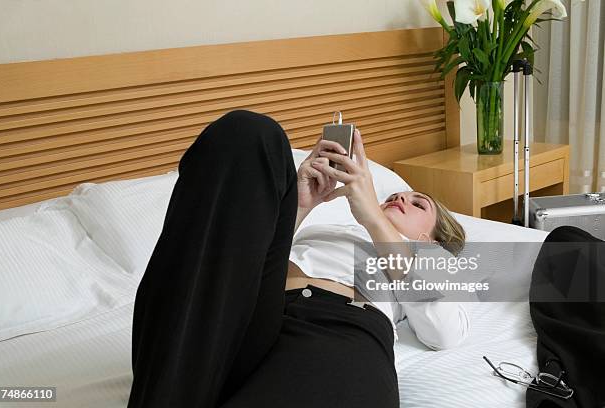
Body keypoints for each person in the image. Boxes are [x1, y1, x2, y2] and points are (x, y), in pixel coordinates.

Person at [127, 110, 469, 408]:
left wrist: (374, 219)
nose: (399, 198)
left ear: (432, 237)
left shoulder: (427, 260)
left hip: (337, 330)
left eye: (417, 203)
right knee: (249, 133)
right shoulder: (330, 227)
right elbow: (250, 256)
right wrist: (300, 205)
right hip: (245, 311)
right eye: (395, 195)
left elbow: (444, 332)